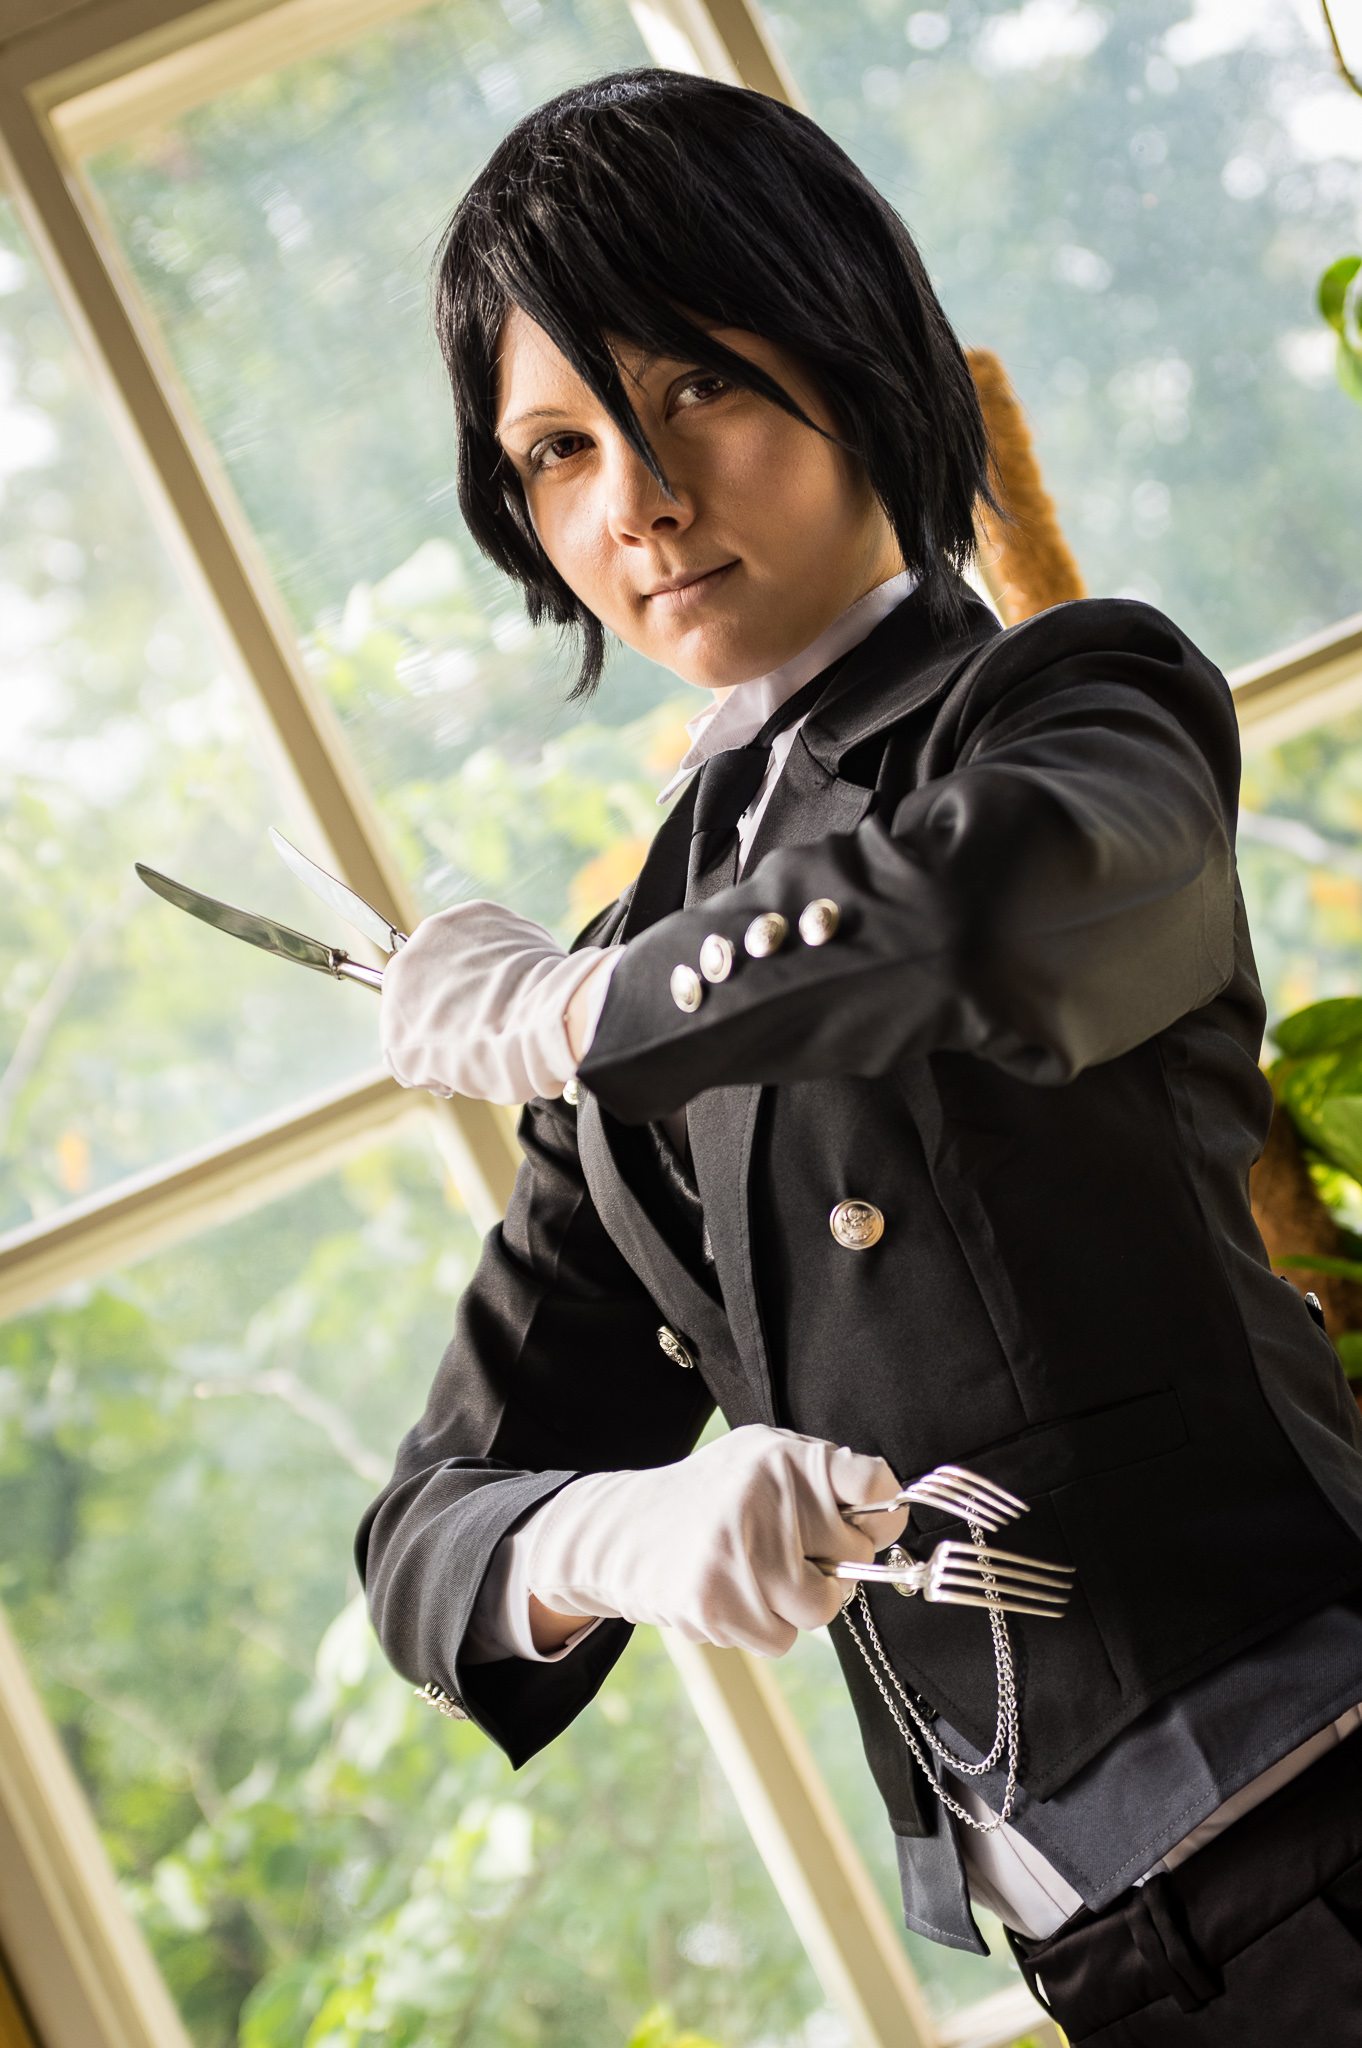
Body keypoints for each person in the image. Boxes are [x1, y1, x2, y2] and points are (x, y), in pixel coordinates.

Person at [356, 68, 1362, 2045]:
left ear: (852, 350)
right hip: (1106, 1961)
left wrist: (590, 1014)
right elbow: (423, 1539)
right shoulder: (641, 962)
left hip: (1322, 1803)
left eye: (692, 390)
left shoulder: (1072, 697)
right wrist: (608, 1535)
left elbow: (979, 914)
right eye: (557, 450)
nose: (636, 501)